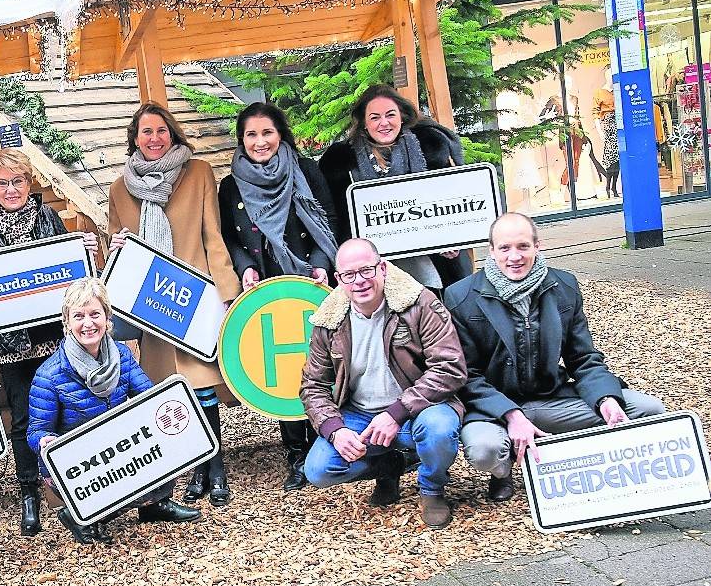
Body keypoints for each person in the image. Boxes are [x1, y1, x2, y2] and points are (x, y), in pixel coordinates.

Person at [444, 212, 666, 502]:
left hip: (551, 398)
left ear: (538, 246)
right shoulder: (460, 297)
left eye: (523, 246)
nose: (515, 256)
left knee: (647, 408)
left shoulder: (564, 287)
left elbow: (583, 357)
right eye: (505, 248)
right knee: (485, 451)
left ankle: (577, 463)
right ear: (492, 250)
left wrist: (605, 399)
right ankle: (503, 471)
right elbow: (466, 376)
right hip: (493, 410)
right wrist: (511, 415)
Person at [0, 148, 98, 536]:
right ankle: (30, 493)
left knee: (65, 412)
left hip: (53, 338)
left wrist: (86, 251)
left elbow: (72, 275)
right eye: (3, 183)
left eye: (18, 181)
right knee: (25, 418)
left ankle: (75, 488)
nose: (11, 189)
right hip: (10, 346)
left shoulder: (50, 219)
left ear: (30, 183)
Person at [108, 102, 240, 509]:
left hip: (195, 293)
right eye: (146, 132)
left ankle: (215, 465)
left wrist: (227, 289)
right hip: (151, 300)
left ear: (173, 133)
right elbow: (117, 247)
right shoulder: (119, 188)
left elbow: (212, 234)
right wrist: (113, 249)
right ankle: (195, 465)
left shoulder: (198, 172)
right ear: (134, 138)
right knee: (170, 390)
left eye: (161, 130)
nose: (154, 139)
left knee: (202, 382)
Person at [299, 239, 466, 529]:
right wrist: (335, 430)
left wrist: (396, 413)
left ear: (383, 268)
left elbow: (449, 367)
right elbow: (312, 385)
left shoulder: (419, 303)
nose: (359, 281)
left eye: (367, 270)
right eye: (349, 275)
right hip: (360, 415)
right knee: (318, 470)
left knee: (439, 432)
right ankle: (389, 467)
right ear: (339, 279)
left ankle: (432, 488)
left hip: (417, 411)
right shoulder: (328, 321)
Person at [219, 101, 340, 492]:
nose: (259, 141)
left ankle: (330, 439)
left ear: (280, 134)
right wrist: (245, 269)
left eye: (267, 132)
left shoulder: (306, 171)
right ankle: (296, 455)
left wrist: (324, 262)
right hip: (268, 286)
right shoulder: (231, 185)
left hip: (311, 281)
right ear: (241, 139)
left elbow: (329, 220)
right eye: (251, 134)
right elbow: (231, 240)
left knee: (320, 362)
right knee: (285, 370)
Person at [28, 278, 201, 543]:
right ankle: (80, 515)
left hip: (118, 449)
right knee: (112, 486)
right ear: (67, 322)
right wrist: (44, 441)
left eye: (95, 314)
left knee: (160, 437)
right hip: (79, 464)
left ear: (107, 317)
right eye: (79, 316)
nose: (88, 323)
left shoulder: (122, 355)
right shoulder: (49, 374)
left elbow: (148, 396)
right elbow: (36, 430)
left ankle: (155, 504)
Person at [319, 84, 470, 290]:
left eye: (390, 115)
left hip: (432, 270)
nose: (384, 123)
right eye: (375, 117)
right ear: (364, 122)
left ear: (402, 117)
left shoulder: (430, 151)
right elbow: (336, 223)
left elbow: (452, 206)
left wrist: (450, 239)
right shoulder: (341, 164)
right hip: (371, 278)